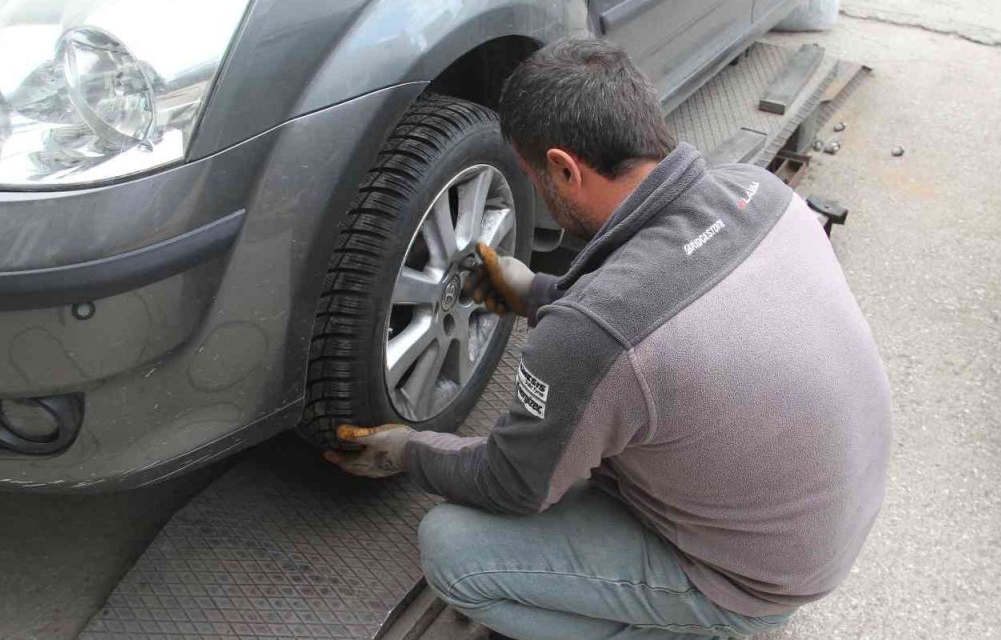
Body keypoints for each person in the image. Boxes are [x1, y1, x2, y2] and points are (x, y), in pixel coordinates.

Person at [325, 38, 891, 640]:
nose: (535, 191)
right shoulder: (761, 192)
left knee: (453, 551)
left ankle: (696, 627)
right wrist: (541, 293)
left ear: (565, 168)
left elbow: (511, 485)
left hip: (751, 581)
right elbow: (656, 292)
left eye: (532, 175)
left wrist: (409, 450)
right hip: (820, 520)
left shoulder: (594, 338)